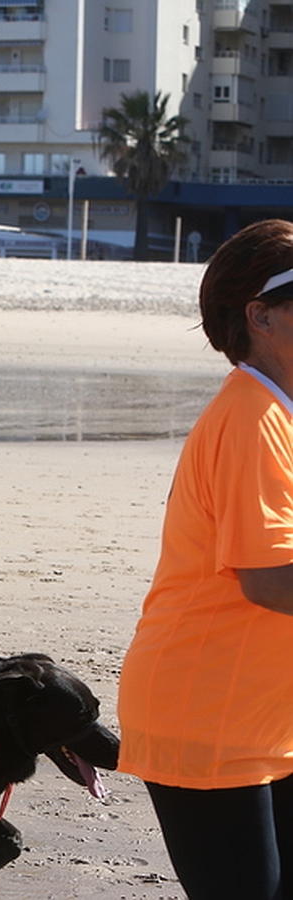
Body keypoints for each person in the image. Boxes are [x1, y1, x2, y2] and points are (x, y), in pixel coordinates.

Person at [118, 219, 293, 899]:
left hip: (263, 715)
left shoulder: (277, 412)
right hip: (209, 715)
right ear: (261, 316)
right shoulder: (252, 419)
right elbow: (269, 580)